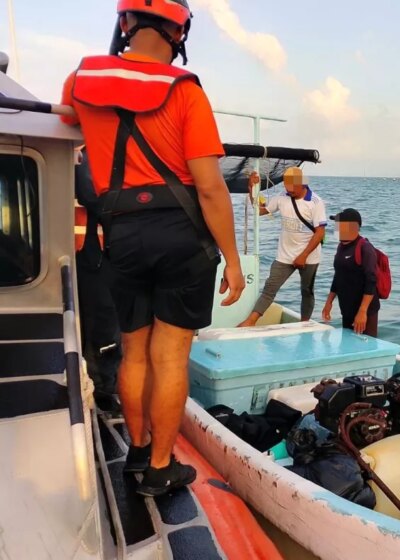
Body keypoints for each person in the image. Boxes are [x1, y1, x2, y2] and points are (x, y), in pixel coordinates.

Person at [61, 0, 244, 496]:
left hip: (119, 231)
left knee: (133, 352)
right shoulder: (185, 91)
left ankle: (137, 452)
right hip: (181, 235)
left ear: (124, 23)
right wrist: (231, 260)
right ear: (179, 34)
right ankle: (161, 468)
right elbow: (209, 187)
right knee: (170, 359)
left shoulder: (81, 79)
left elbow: (69, 133)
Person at [238, 167, 327, 326]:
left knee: (307, 291)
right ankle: (251, 321)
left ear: (302, 183)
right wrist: (251, 189)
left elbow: (320, 233)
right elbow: (261, 211)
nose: (289, 191)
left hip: (309, 256)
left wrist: (304, 255)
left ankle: (304, 324)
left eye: (293, 188)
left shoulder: (315, 202)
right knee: (270, 287)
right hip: (285, 255)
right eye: (287, 187)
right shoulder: (282, 197)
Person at [74, 147, 122, 413]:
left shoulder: (90, 151)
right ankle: (101, 391)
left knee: (104, 326)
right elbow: (91, 195)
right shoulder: (89, 152)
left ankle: (102, 386)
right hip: (92, 255)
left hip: (98, 254)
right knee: (102, 327)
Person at [322, 209, 380, 337]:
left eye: (340, 225)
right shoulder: (341, 247)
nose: (337, 229)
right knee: (348, 347)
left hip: (365, 311)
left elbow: (371, 280)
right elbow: (338, 276)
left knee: (366, 349)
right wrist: (329, 302)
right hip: (346, 309)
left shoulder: (365, 248)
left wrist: (363, 311)